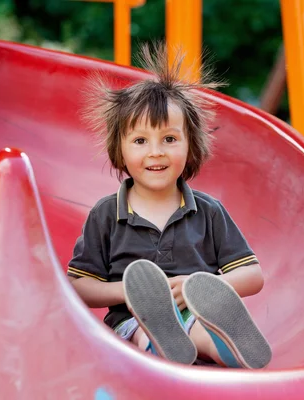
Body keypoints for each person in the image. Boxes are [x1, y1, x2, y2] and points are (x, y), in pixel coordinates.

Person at [66, 42, 271, 369]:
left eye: (170, 139)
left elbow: (253, 276)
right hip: (132, 319)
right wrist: (133, 292)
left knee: (202, 330)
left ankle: (229, 348)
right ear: (119, 150)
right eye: (140, 140)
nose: (156, 151)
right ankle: (163, 346)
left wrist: (198, 287)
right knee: (143, 333)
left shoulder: (208, 211)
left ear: (191, 146)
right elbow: (79, 286)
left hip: (196, 311)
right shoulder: (106, 215)